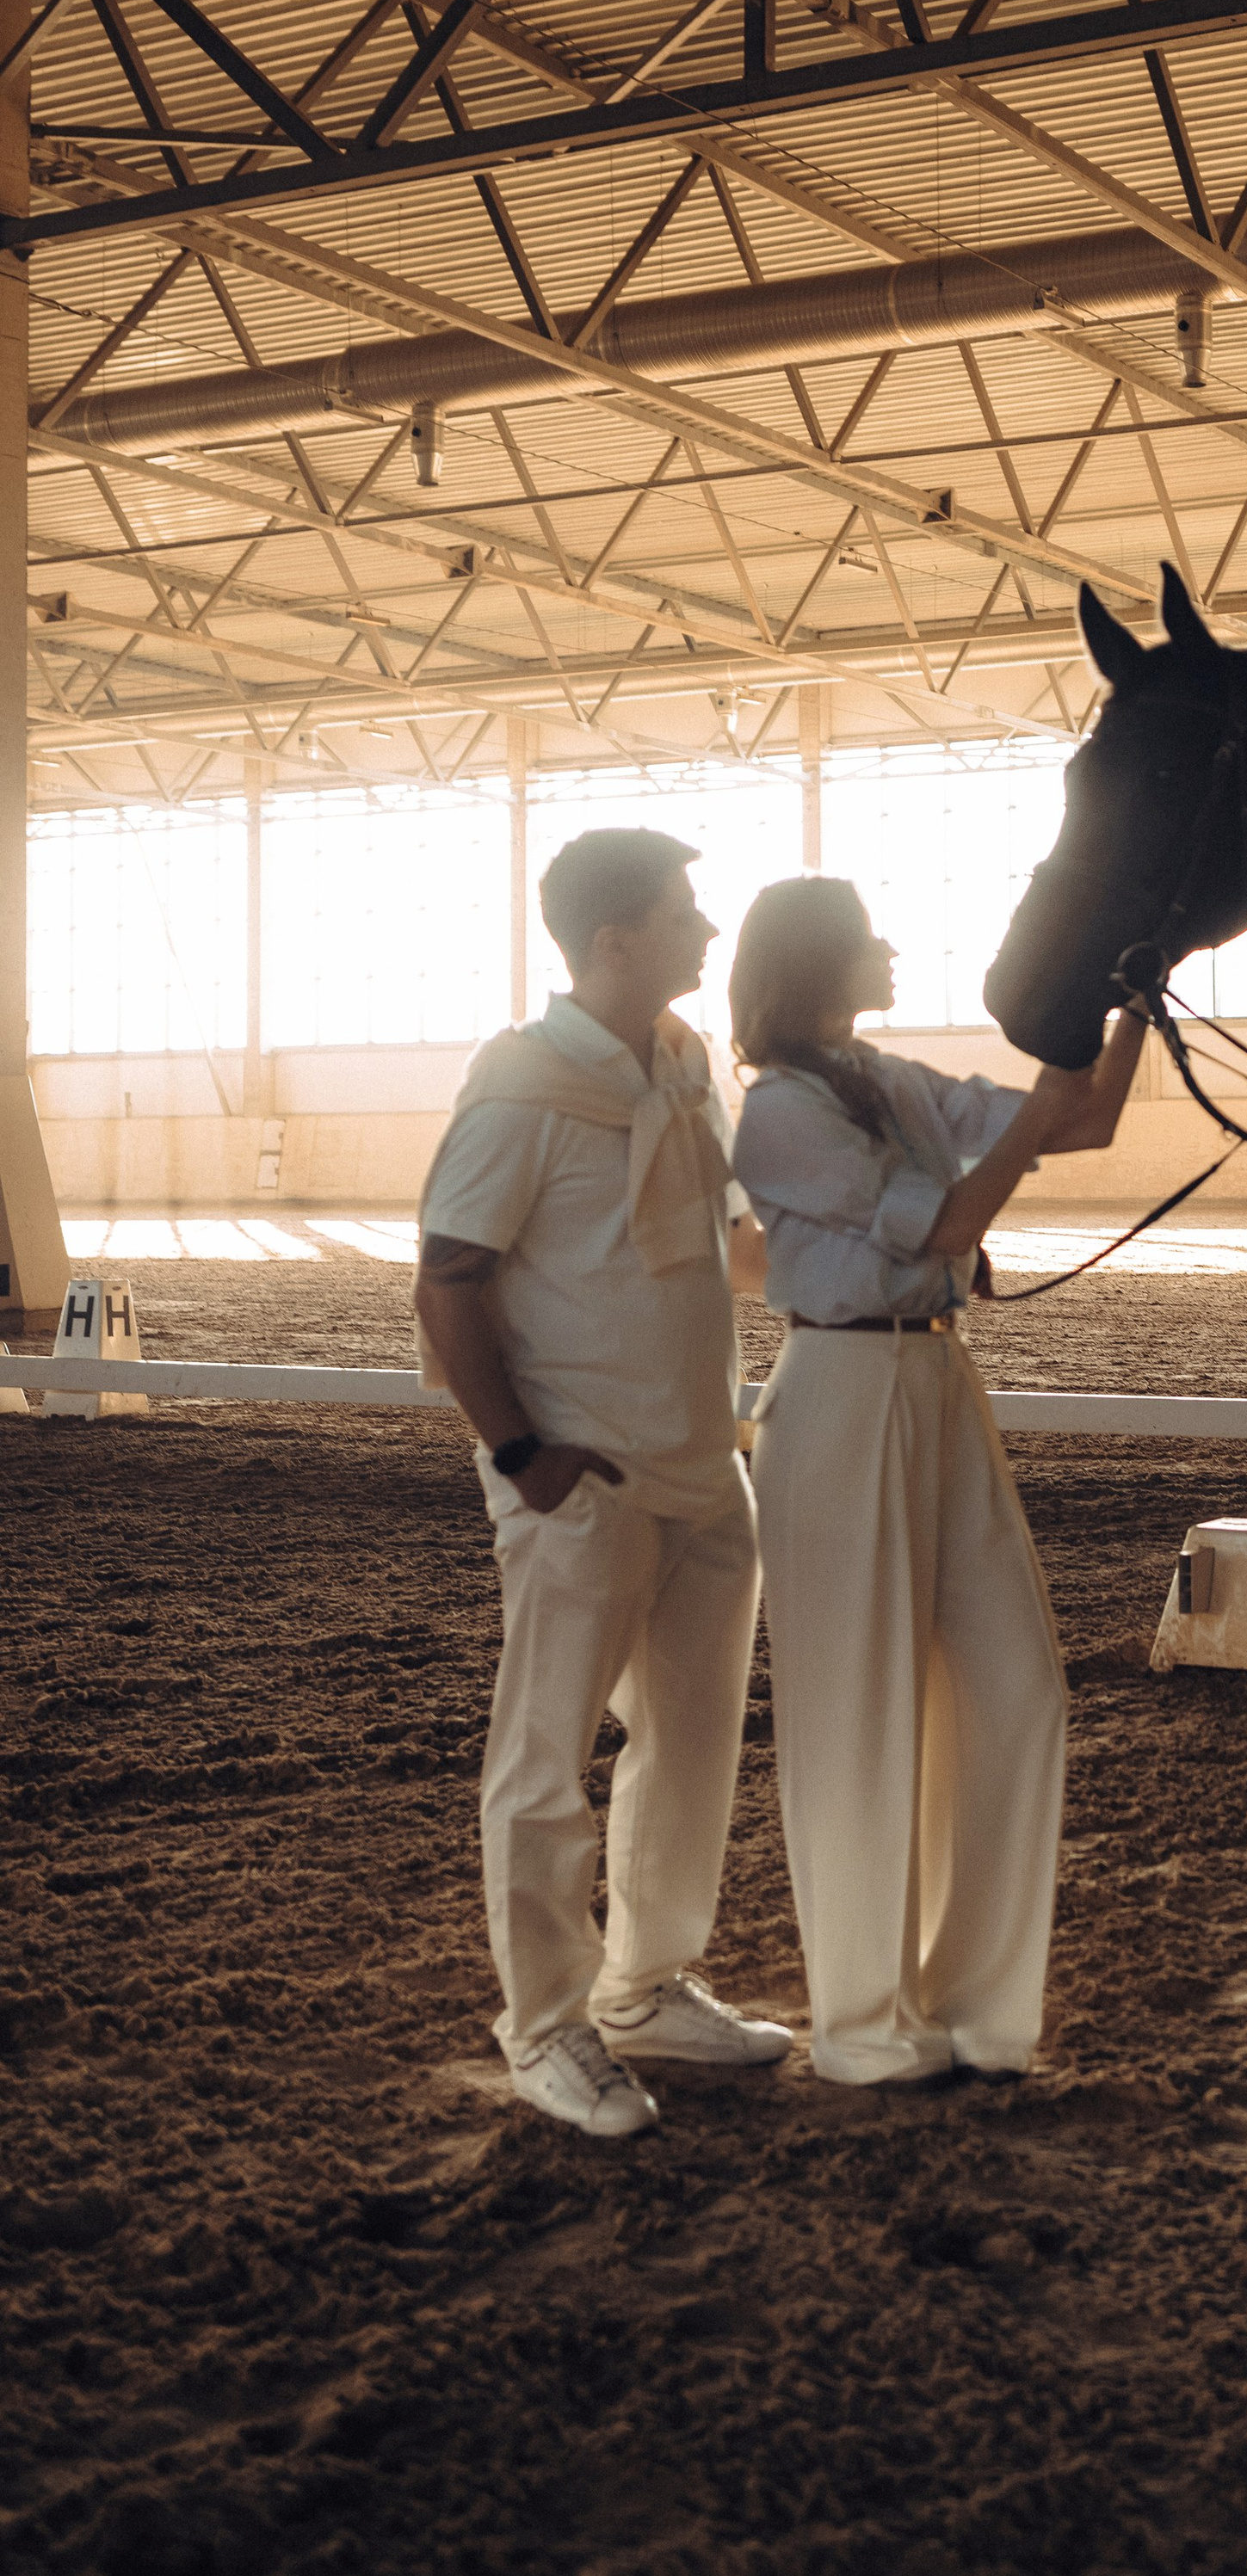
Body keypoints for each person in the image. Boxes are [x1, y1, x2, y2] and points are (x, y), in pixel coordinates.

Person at [730, 874, 1146, 2088]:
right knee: (857, 1714)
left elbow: (1088, 1120)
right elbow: (950, 1223)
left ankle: (971, 2004)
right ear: (818, 965)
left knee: (1021, 1687)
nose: (890, 944)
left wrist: (1133, 995)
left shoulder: (893, 1078)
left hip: (936, 1385)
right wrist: (1029, 1123)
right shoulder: (779, 1116)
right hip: (841, 1391)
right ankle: (864, 2020)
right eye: (867, 935)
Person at [415, 824, 791, 2141]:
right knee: (547, 1757)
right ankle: (546, 2026)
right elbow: (448, 1278)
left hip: (701, 1466)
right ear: (616, 941)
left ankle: (645, 1984)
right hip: (581, 1482)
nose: (708, 924)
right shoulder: (522, 1089)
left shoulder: (687, 1066)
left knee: (689, 1744)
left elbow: (729, 1248)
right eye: (686, 908)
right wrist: (525, 1455)